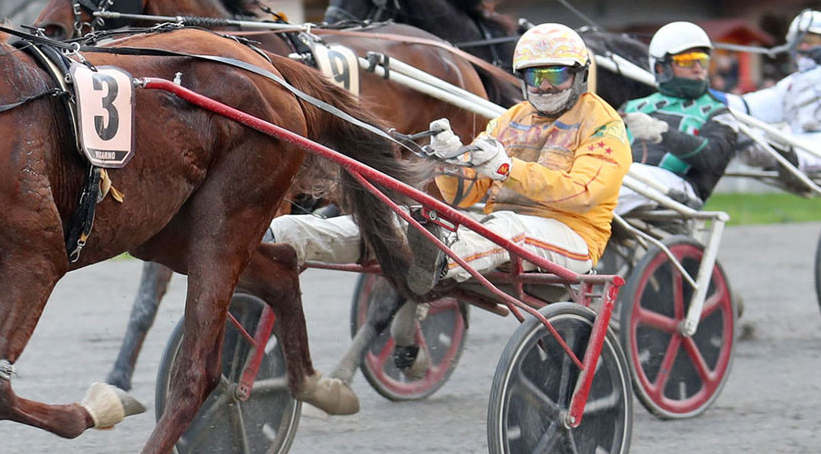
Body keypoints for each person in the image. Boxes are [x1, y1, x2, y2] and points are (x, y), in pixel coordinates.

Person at [265, 24, 628, 371]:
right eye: (536, 76)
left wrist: (505, 169)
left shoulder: (603, 123)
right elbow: (467, 192)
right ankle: (290, 236)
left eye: (556, 75)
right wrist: (450, 160)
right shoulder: (511, 118)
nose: (545, 87)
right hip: (496, 231)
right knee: (397, 218)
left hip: (571, 235)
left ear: (579, 76)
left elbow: (583, 193)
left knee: (503, 226)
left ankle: (436, 259)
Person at [615, 22, 738, 216]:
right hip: (627, 179)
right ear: (661, 68)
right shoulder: (633, 106)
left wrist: (662, 133)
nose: (698, 69)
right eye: (687, 61)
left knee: (615, 184)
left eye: (702, 60)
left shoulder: (718, 113)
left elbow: (713, 156)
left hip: (679, 189)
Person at [741, 10, 821, 172]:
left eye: (811, 41)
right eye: (799, 42)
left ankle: (788, 157)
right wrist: (717, 100)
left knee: (797, 148)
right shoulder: (790, 83)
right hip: (798, 141)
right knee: (744, 140)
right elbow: (751, 105)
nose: (803, 47)